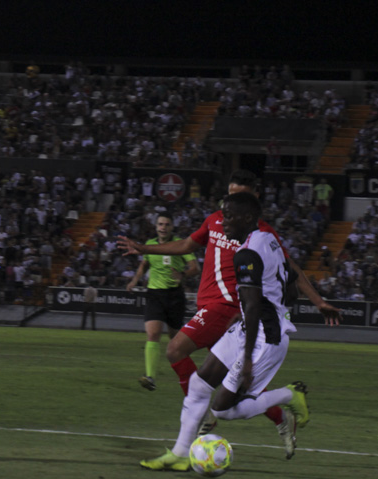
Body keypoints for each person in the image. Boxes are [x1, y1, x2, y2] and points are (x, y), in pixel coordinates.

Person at [120, 170, 340, 460]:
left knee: (175, 350)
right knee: (229, 388)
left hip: (229, 308)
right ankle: (278, 415)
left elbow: (290, 269)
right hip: (218, 309)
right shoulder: (218, 220)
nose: (227, 206)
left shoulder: (259, 236)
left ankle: (198, 425)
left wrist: (317, 300)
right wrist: (142, 248)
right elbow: (186, 245)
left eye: (236, 196)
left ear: (251, 200)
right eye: (228, 195)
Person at [125, 214, 199, 391]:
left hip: (175, 296)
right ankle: (150, 377)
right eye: (160, 224)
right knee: (153, 334)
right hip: (155, 294)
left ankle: (191, 375)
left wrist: (182, 275)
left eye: (167, 224)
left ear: (172, 226)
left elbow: (196, 268)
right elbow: (145, 264)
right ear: (156, 226)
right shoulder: (150, 245)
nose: (163, 227)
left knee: (175, 343)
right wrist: (135, 280)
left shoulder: (181, 244)